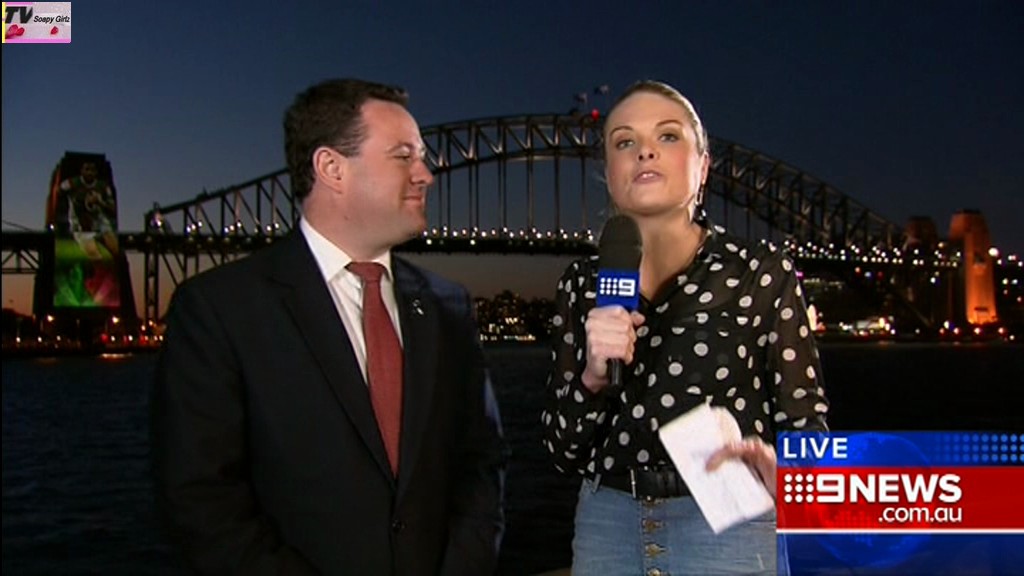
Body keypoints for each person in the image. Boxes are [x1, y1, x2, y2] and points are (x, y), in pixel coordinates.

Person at [152, 78, 507, 575]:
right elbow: (202, 503)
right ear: (331, 168)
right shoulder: (219, 309)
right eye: (403, 156)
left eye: (423, 157)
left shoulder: (448, 305)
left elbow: (481, 466)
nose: (426, 175)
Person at [541, 80, 829, 575]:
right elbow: (561, 452)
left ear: (704, 165)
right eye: (624, 142)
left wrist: (787, 470)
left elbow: (808, 427)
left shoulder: (760, 272)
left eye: (668, 136)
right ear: (609, 173)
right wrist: (591, 379)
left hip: (731, 526)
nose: (644, 150)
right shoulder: (581, 283)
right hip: (607, 525)